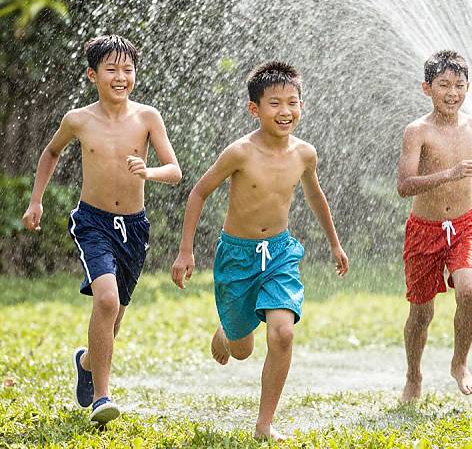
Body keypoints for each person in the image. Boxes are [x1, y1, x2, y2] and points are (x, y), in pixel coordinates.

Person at [171, 60, 348, 440]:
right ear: (255, 109)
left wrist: (334, 243)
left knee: (282, 333)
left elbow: (315, 196)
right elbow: (199, 192)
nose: (285, 111)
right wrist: (186, 250)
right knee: (241, 350)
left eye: (293, 102)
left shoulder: (305, 154)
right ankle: (226, 332)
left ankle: (264, 424)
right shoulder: (239, 152)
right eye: (275, 103)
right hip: (237, 255)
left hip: (281, 252)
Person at [22, 35, 182, 424]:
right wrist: (36, 199)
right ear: (93, 75)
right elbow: (51, 152)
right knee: (106, 301)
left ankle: (87, 361)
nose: (121, 76)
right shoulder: (78, 119)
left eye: (127, 69)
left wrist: (150, 171)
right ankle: (102, 397)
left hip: (134, 227)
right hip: (92, 222)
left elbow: (175, 172)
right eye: (111, 69)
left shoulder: (148, 117)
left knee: (115, 317)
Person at [397, 49, 472, 401]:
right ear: (426, 88)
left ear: (468, 88)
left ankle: (459, 363)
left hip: (463, 226)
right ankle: (413, 375)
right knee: (421, 312)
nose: (452, 92)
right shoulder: (417, 132)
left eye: (459, 85)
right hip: (424, 229)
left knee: (470, 289)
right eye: (443, 84)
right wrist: (449, 173)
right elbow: (403, 186)